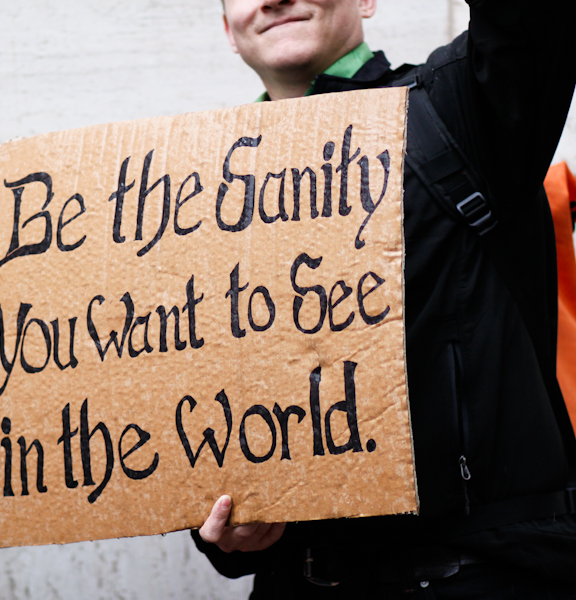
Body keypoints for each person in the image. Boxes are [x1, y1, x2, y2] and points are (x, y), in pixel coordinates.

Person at [191, 0, 576, 597]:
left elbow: (530, 18)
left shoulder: (463, 107)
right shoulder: (189, 193)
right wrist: (222, 530)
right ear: (227, 30)